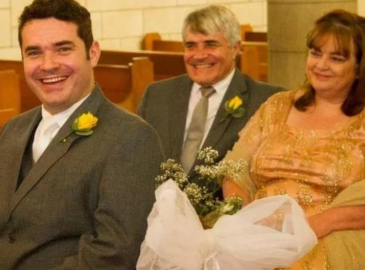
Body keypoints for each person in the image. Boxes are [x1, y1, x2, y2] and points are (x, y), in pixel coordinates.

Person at [0, 0, 164, 269]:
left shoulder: (131, 138)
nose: (48, 65)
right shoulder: (11, 130)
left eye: (63, 49)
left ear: (93, 53)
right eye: (33, 53)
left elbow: (115, 251)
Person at [222, 10, 365, 269]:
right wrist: (244, 220)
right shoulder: (277, 105)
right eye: (315, 53)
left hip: (329, 238)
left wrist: (306, 230)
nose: (320, 65)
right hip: (257, 235)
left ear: (358, 69)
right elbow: (235, 169)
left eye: (336, 58)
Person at [137, 5, 282, 187]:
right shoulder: (157, 95)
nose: (199, 55)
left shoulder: (266, 101)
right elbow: (134, 159)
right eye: (191, 46)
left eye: (211, 44)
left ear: (236, 47)